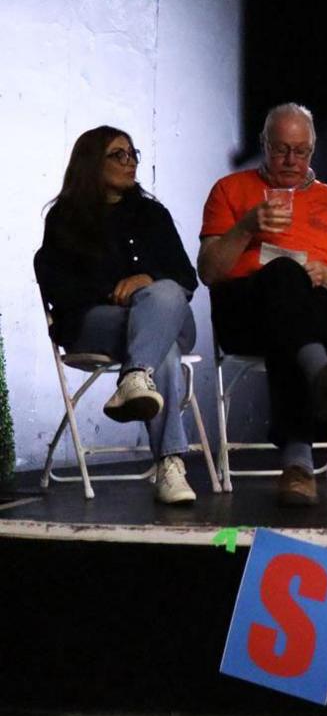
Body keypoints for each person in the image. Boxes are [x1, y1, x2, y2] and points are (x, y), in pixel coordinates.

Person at [197, 103, 327, 507]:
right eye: (281, 150)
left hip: (312, 309)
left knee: (293, 306)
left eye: (300, 151)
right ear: (264, 145)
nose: (291, 161)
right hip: (246, 311)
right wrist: (247, 227)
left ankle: (299, 462)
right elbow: (209, 271)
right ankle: (321, 378)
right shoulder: (229, 191)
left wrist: (323, 274)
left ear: (312, 150)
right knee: (282, 278)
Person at [35, 126, 201, 504]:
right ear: (93, 162)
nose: (130, 162)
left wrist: (147, 281)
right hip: (95, 323)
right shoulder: (64, 218)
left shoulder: (153, 213)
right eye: (118, 155)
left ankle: (134, 376)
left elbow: (186, 278)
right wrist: (114, 293)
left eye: (132, 154)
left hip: (165, 316)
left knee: (167, 291)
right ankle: (170, 464)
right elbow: (59, 288)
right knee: (164, 352)